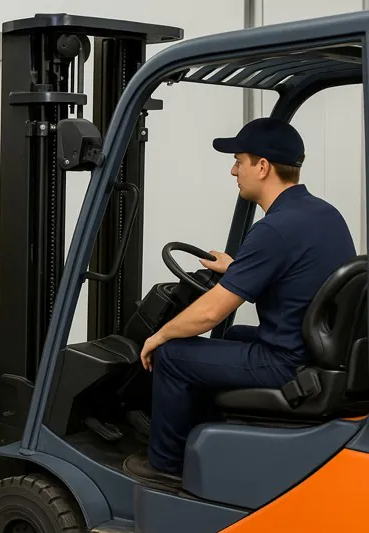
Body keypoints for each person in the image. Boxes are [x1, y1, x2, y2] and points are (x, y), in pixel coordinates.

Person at [123, 117, 356, 486]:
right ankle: (206, 441)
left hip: (286, 364)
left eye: (239, 160)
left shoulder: (274, 229)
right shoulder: (323, 214)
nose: (234, 170)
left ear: (263, 167)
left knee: (172, 355)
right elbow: (296, 276)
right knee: (230, 339)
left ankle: (165, 464)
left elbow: (212, 311)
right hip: (316, 354)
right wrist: (237, 268)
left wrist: (158, 336)